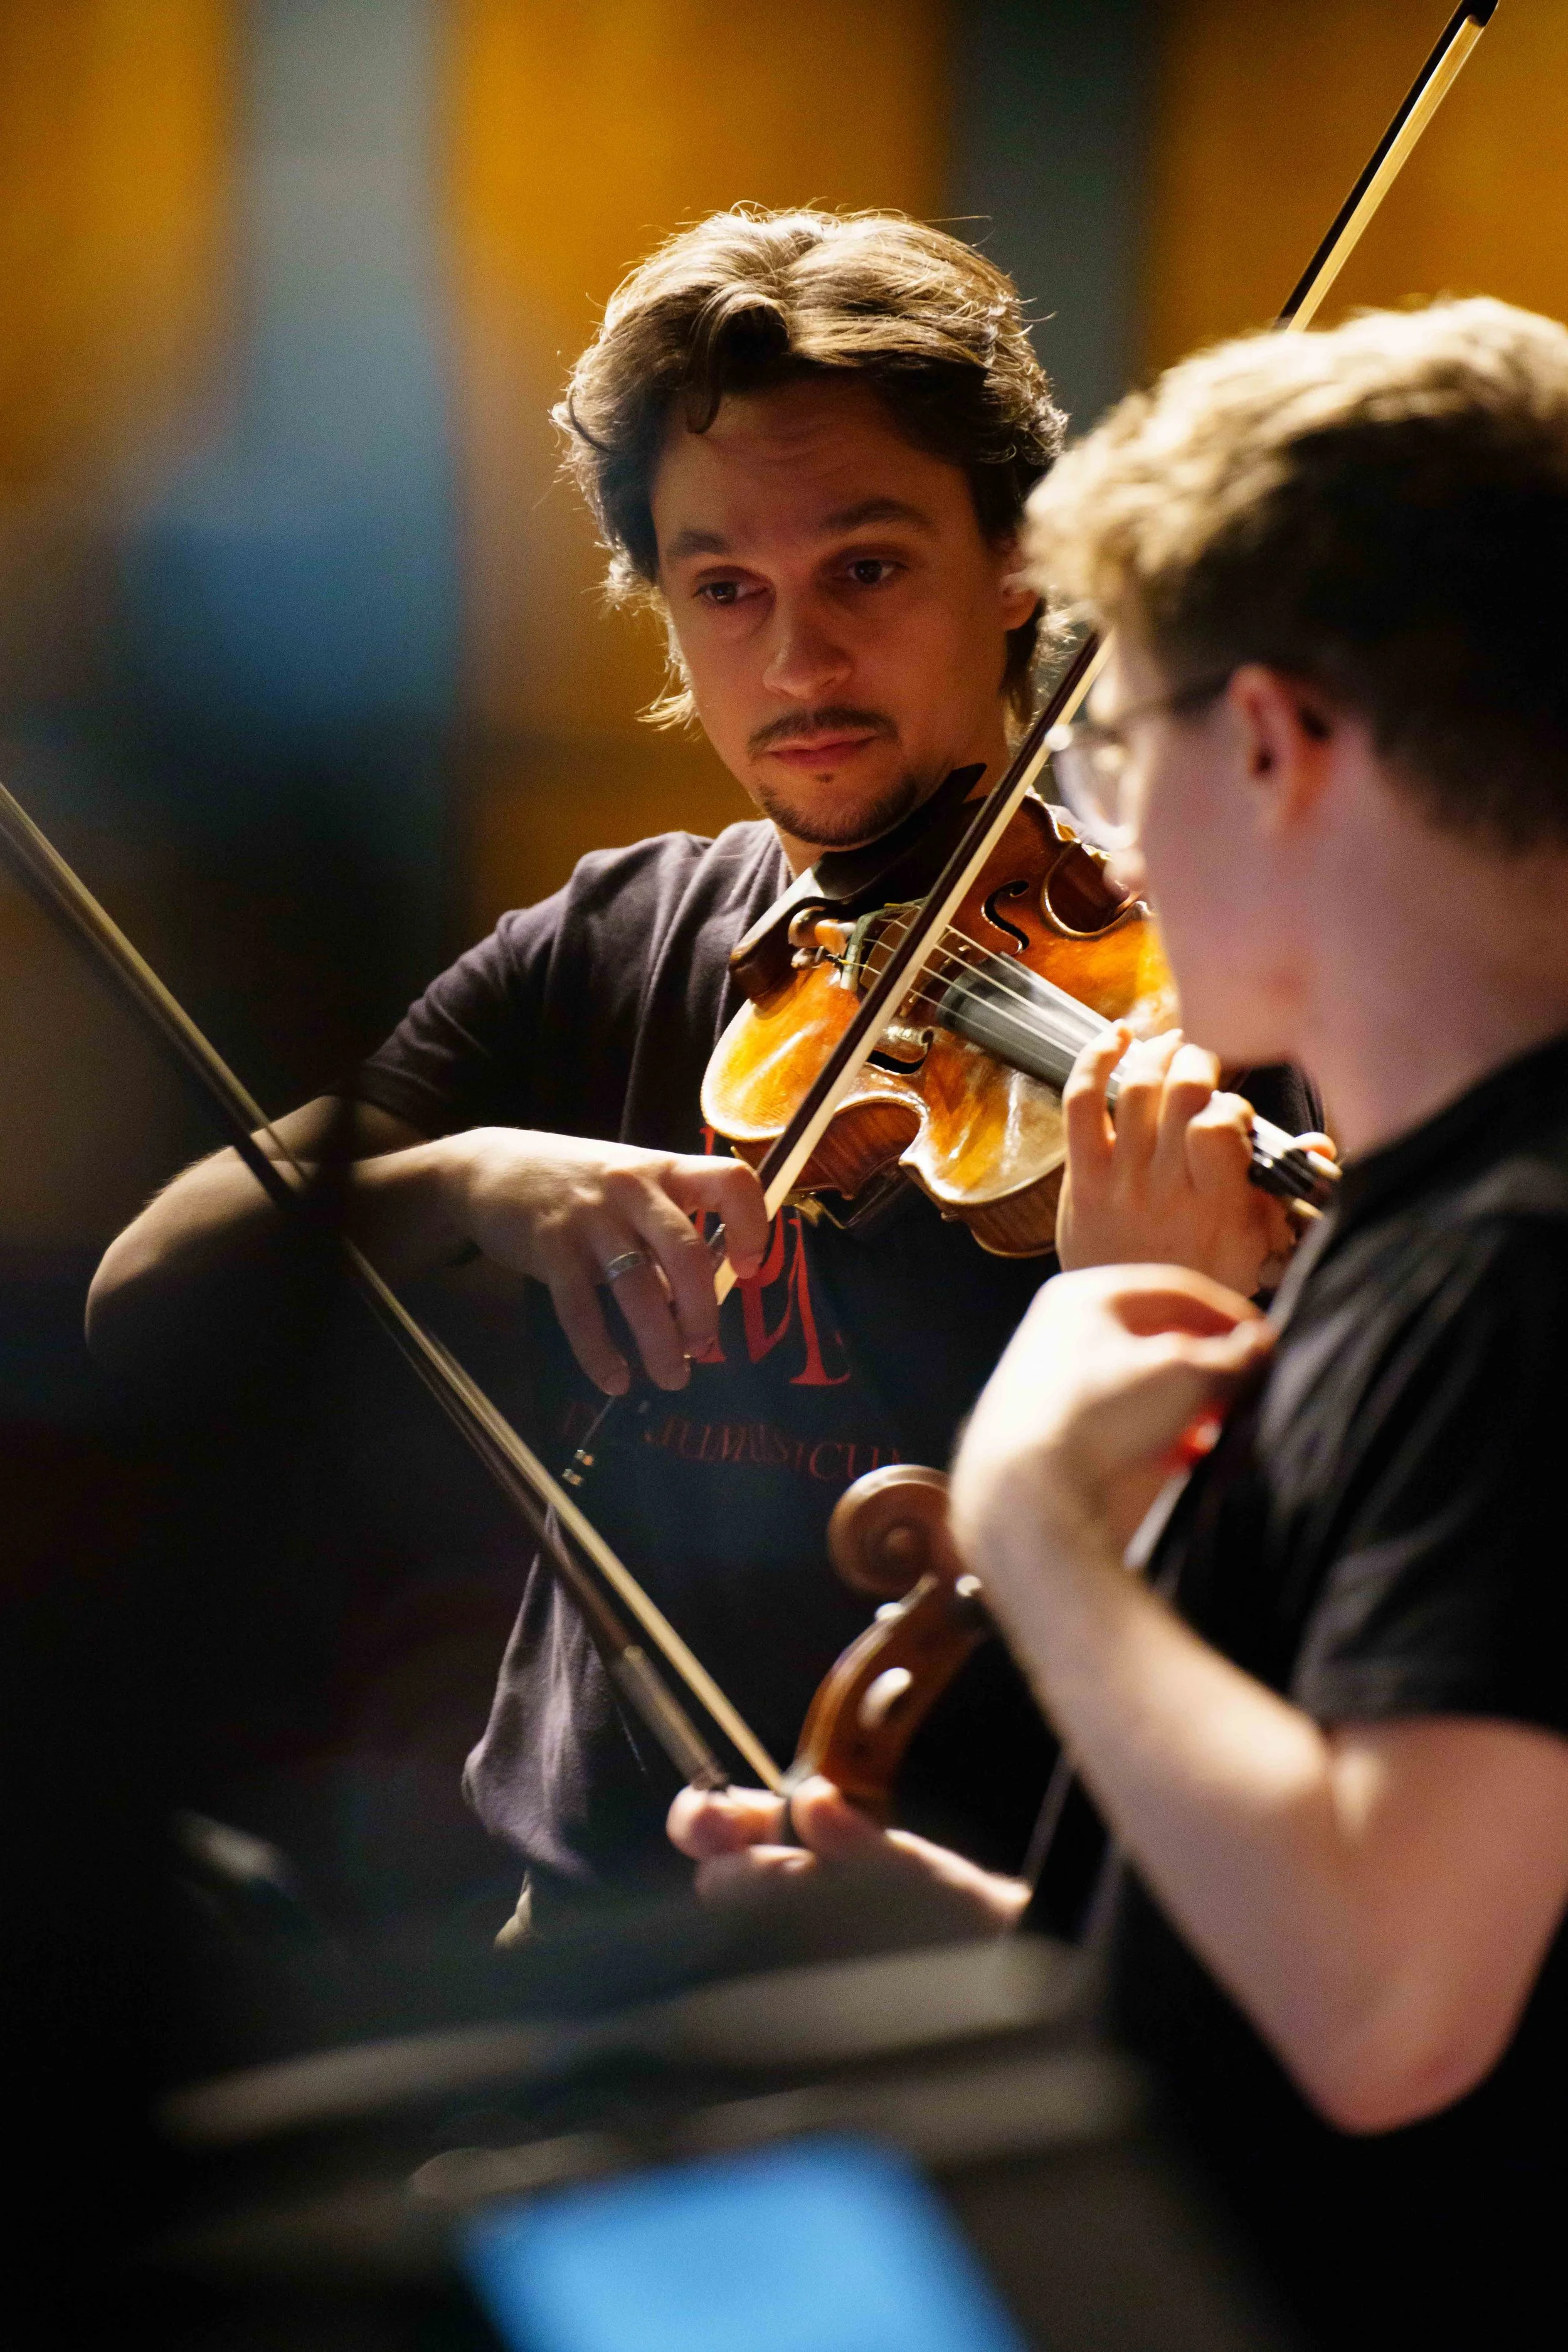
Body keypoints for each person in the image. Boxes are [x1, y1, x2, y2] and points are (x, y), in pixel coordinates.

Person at [87, 209, 1310, 1926]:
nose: (794, 664)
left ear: (1020, 556)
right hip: (573, 1920)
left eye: (866, 569)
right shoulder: (614, 942)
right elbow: (148, 1288)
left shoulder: (1218, 992)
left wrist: (1171, 1321)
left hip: (996, 1943)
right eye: (722, 588)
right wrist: (466, 1179)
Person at [673, 295, 1568, 2339]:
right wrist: (1013, 1927)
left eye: (1114, 737)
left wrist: (1040, 1534)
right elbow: (1363, 1954)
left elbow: (1390, 2008)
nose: (1108, 823)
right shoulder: (1411, 1228)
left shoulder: (1516, 1265)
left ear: (1263, 743)